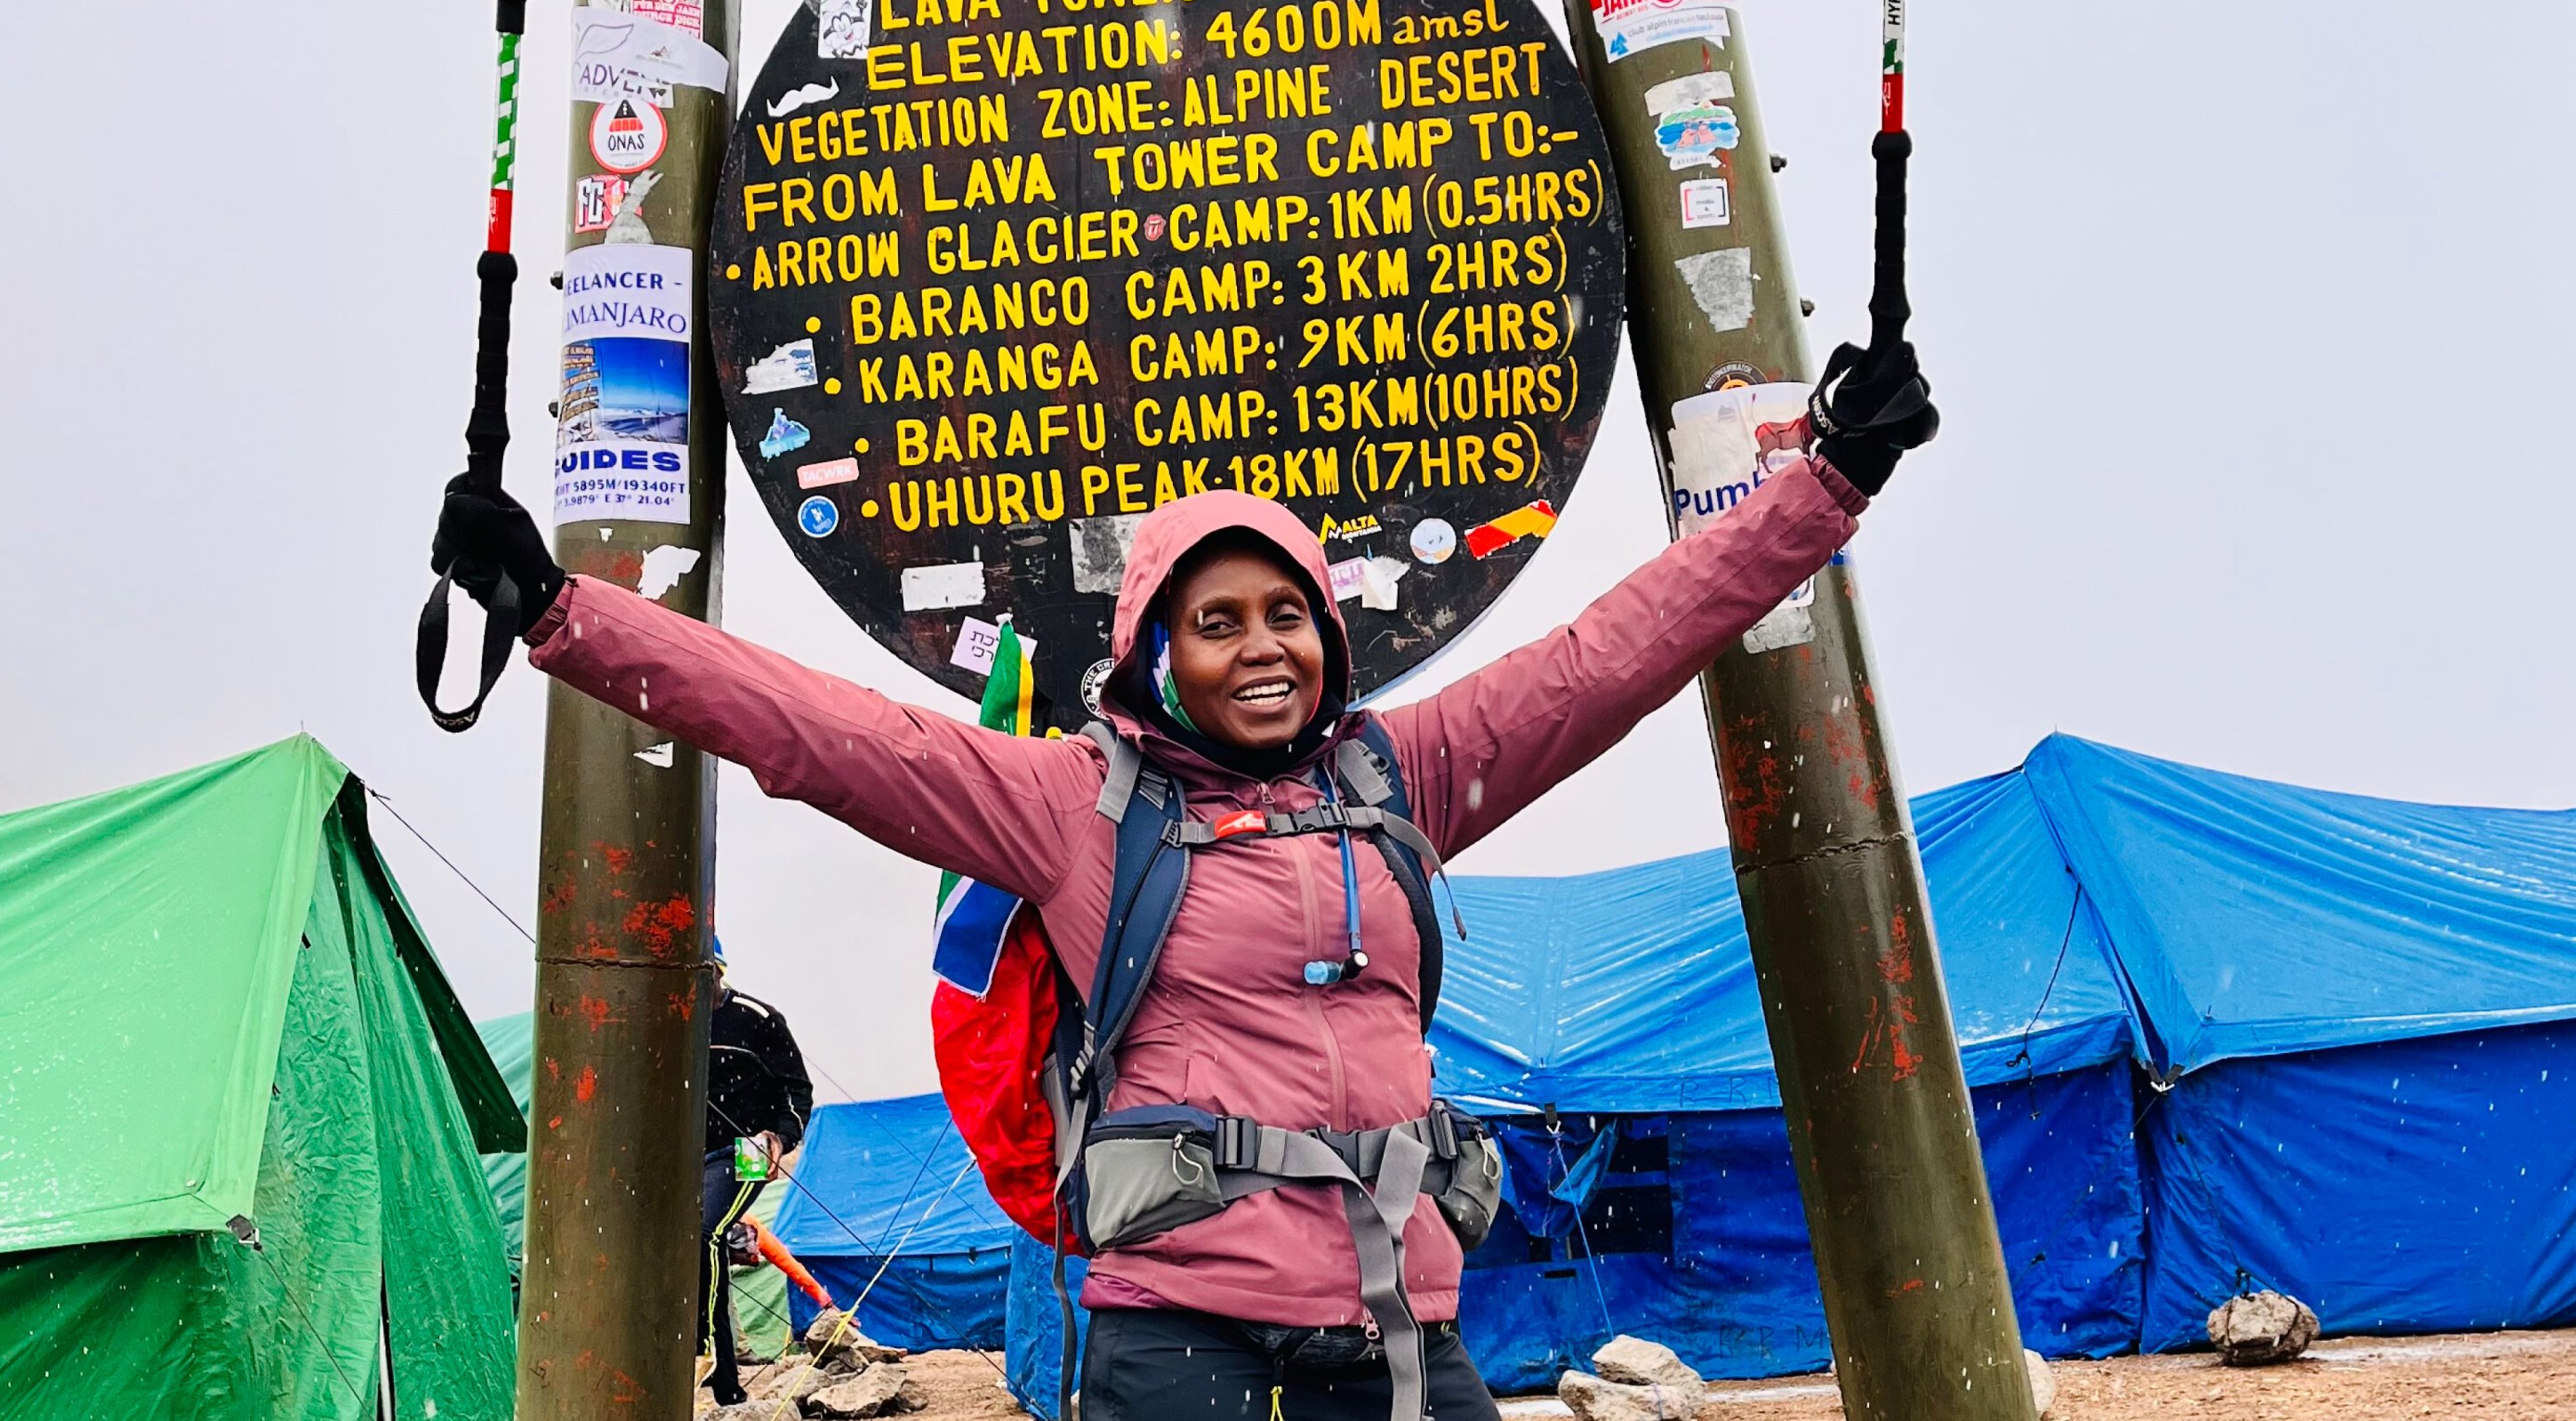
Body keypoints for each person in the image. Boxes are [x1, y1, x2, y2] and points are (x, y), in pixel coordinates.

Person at [435, 345, 1935, 1420]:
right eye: (1218, 619)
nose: (1265, 642)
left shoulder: (1405, 772)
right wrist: (568, 614)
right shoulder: (1075, 803)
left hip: (1400, 1335)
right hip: (1176, 1339)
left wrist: (1829, 481)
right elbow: (824, 729)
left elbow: (1615, 649)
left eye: (1289, 609)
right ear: (1158, 649)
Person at [700, 959, 813, 1405]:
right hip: (683, 1154)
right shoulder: (669, 1017)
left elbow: (797, 1089)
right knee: (695, 1250)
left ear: (718, 971)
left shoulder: (758, 1019)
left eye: (704, 973)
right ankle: (727, 1381)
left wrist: (782, 1137)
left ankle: (701, 1344)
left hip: (747, 1149)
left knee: (706, 1232)